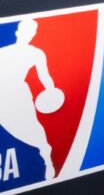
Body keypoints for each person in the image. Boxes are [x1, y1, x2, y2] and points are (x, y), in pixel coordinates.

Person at [0, 19, 60, 180]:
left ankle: (47, 157)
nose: (28, 35)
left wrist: (52, 91)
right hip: (2, 93)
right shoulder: (3, 52)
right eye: (25, 31)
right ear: (17, 32)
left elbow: (45, 76)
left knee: (33, 127)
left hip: (20, 94)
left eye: (31, 32)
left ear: (33, 35)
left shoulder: (36, 53)